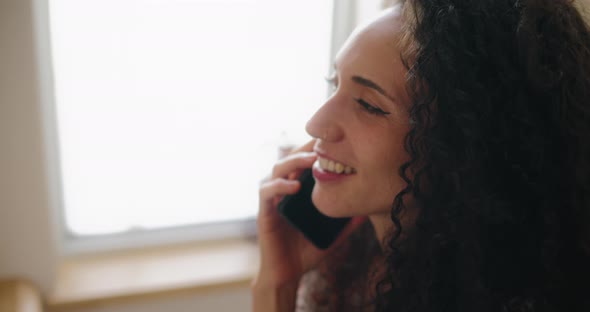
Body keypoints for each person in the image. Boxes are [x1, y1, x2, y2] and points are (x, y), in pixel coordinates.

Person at [253, 0, 590, 311]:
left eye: (368, 105)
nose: (316, 125)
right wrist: (276, 284)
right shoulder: (366, 271)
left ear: (465, 144)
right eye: (335, 82)